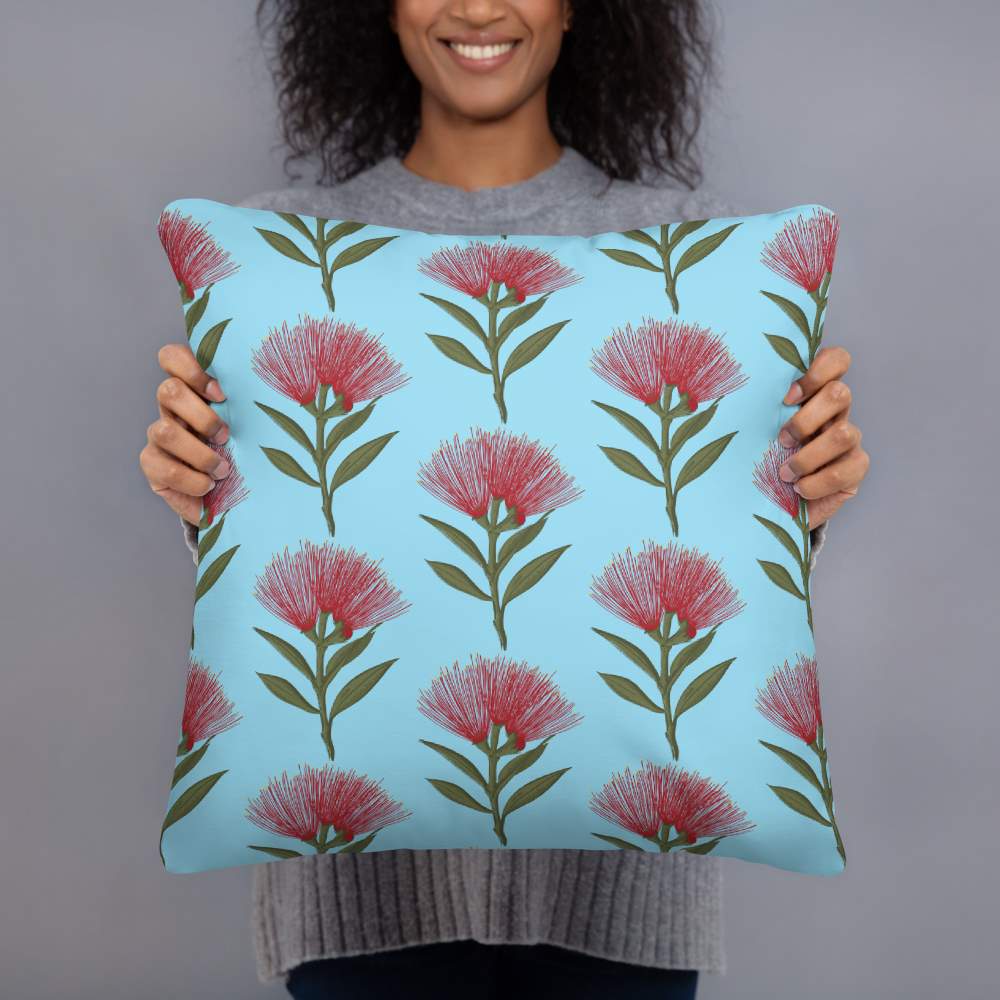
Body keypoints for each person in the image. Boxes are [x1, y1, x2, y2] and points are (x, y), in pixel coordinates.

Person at [139, 3, 870, 997]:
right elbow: (285, 566)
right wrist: (198, 493)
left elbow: (716, 564)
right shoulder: (284, 246)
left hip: (628, 915)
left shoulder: (689, 243)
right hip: (354, 915)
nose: (479, 7)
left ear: (577, 7)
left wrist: (803, 497)